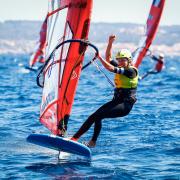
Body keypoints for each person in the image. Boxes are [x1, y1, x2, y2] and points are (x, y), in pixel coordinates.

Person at [71, 35, 138, 147]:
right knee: (95, 116)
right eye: (119, 60)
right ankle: (90, 142)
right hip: (116, 102)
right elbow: (109, 59)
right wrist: (110, 43)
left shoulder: (131, 71)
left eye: (123, 60)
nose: (120, 62)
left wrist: (99, 58)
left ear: (129, 60)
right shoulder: (123, 67)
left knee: (97, 116)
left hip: (125, 106)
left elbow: (110, 68)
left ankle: (74, 139)